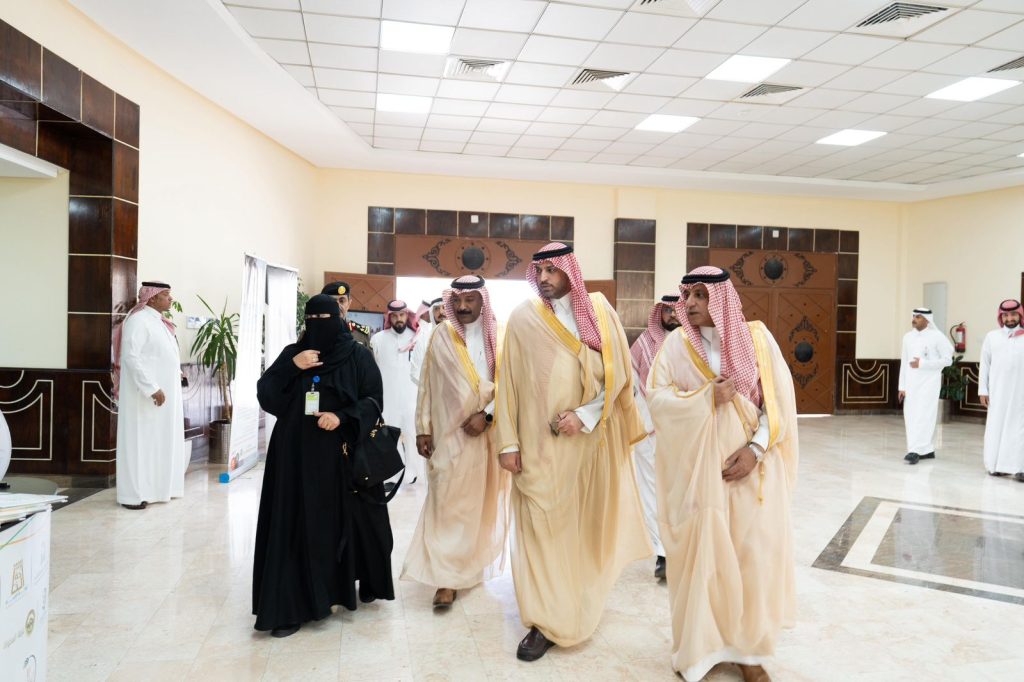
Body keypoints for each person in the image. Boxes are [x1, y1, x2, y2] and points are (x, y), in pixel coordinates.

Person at [495, 242, 650, 661]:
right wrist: (507, 443)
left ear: (570, 270)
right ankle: (543, 623)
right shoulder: (523, 318)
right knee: (541, 531)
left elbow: (620, 377)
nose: (544, 277)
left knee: (580, 531)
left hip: (590, 445)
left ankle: (575, 603)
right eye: (539, 270)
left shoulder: (599, 311)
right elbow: (508, 384)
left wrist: (585, 415)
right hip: (537, 449)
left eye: (552, 269)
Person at [647, 266, 798, 682]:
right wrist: (704, 399)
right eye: (687, 295)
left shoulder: (758, 340)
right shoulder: (676, 345)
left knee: (751, 558)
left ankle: (748, 653)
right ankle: (700, 651)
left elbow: (778, 406)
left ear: (723, 299)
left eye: (701, 294)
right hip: (697, 475)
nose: (691, 303)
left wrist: (755, 450)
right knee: (702, 561)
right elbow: (656, 399)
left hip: (750, 474)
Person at [252, 294, 394, 637]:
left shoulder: (357, 356)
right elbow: (266, 394)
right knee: (293, 526)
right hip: (294, 457)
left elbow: (373, 400)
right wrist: (292, 366)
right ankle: (289, 606)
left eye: (325, 318)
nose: (318, 325)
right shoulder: (294, 354)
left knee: (346, 526)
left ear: (339, 319)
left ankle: (342, 589)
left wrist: (342, 416)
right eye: (311, 319)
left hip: (341, 457)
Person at [402, 276, 510, 608]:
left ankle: (467, 569)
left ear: (483, 301)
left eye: (470, 300)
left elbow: (512, 385)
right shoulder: (441, 334)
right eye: (457, 301)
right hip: (448, 435)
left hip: (487, 437)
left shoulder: (501, 335)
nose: (462, 307)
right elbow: (427, 384)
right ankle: (446, 580)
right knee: (445, 502)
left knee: (477, 507)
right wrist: (423, 428)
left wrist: (487, 416)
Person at [112, 281, 186, 510]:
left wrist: (177, 373)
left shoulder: (159, 322)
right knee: (139, 444)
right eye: (166, 295)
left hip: (164, 396)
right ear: (152, 298)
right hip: (143, 397)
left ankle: (159, 490)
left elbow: (160, 355)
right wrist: (152, 388)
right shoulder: (138, 321)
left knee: (158, 442)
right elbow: (131, 358)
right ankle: (132, 495)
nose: (171, 299)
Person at [629, 294, 680, 580]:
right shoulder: (645, 343)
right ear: (658, 313)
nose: (672, 315)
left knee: (680, 490)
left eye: (677, 309)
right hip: (650, 428)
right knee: (651, 490)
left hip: (685, 428)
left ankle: (682, 548)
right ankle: (663, 554)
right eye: (667, 310)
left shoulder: (694, 343)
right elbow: (630, 381)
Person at [370, 300, 422, 486]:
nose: (399, 319)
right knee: (389, 437)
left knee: (412, 436)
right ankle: (392, 476)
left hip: (411, 398)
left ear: (407, 315)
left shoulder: (417, 338)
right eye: (395, 316)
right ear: (389, 317)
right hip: (388, 399)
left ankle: (412, 472)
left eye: (402, 315)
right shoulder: (378, 339)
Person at [897, 308, 954, 465]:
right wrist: (902, 386)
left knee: (924, 415)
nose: (914, 319)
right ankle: (926, 449)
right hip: (911, 384)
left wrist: (923, 364)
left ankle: (915, 451)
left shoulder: (937, 337)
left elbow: (948, 360)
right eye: (914, 316)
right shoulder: (907, 337)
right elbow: (904, 362)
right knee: (910, 415)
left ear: (927, 320)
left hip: (929, 383)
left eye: (918, 317)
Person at [978, 298, 1024, 481]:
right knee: (996, 426)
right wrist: (983, 390)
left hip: (1020, 393)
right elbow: (985, 365)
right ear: (1000, 317)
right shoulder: (992, 337)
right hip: (998, 392)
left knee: (1019, 429)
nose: (1009, 318)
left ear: (1020, 315)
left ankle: (1020, 467)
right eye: (1005, 315)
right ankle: (996, 465)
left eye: (1013, 314)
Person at [410, 297, 446, 386]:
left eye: (444, 308)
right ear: (431, 312)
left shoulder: (460, 337)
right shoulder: (424, 338)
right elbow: (415, 370)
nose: (441, 312)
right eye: (436, 309)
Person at [322, 281, 371, 346]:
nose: (337, 306)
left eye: (342, 301)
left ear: (349, 304)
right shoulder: (313, 331)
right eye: (332, 301)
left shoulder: (360, 334)